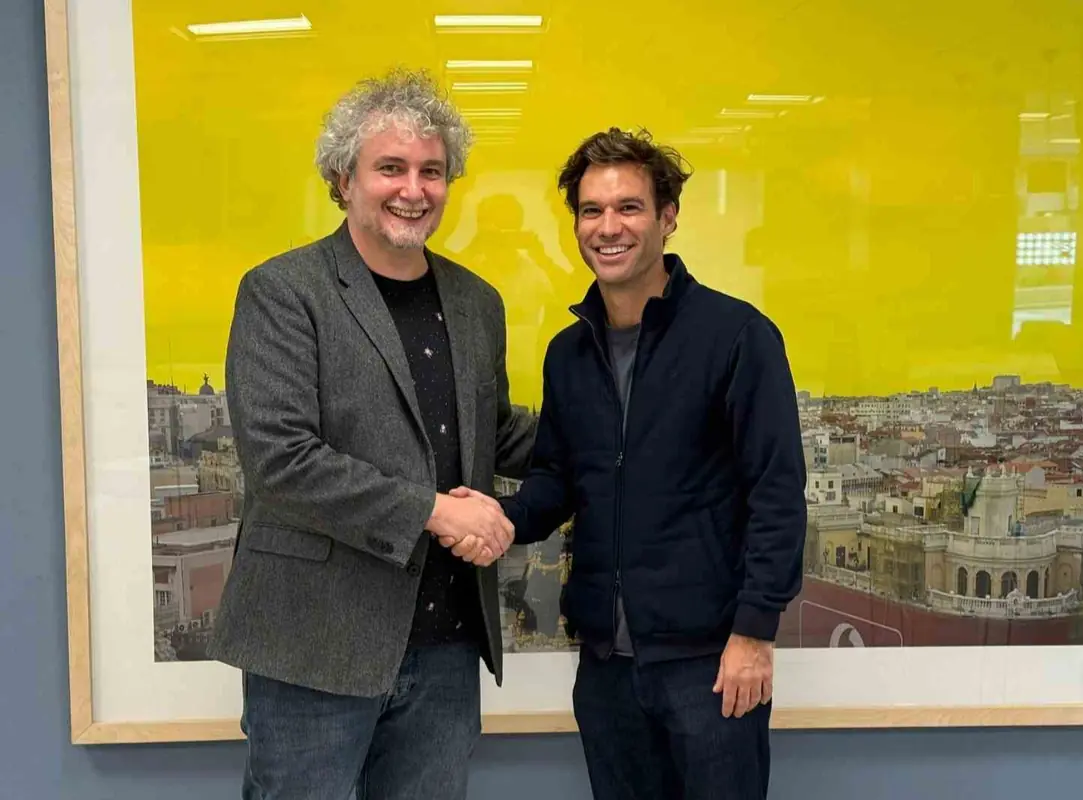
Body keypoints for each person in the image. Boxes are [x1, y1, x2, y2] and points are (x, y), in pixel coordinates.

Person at [208, 66, 536, 800]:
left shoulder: (477, 301)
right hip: (313, 646)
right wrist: (437, 510)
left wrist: (629, 429)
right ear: (342, 179)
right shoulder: (283, 291)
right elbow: (280, 459)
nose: (413, 189)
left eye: (432, 170)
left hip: (446, 644)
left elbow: (498, 432)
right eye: (390, 167)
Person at [482, 127, 808, 799]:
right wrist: (495, 519)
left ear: (668, 218)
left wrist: (754, 635)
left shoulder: (737, 336)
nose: (609, 227)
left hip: (710, 663)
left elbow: (775, 492)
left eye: (629, 207)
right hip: (606, 667)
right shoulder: (568, 354)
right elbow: (556, 481)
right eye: (592, 210)